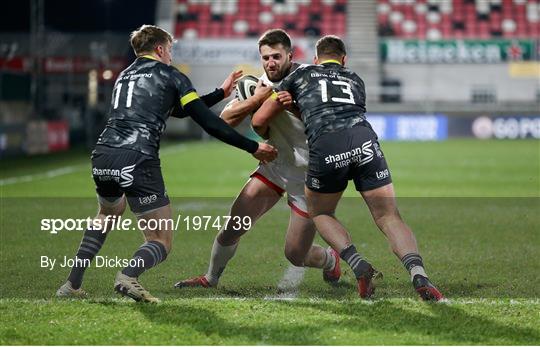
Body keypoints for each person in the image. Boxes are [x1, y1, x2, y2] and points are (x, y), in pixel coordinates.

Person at [56, 24, 277, 303]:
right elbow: (208, 123)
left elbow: (178, 110)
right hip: (137, 158)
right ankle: (128, 276)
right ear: (160, 49)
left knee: (108, 213)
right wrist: (252, 146)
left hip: (103, 154)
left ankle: (71, 284)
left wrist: (221, 93)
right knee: (160, 240)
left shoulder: (124, 75)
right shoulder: (171, 74)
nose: (171, 56)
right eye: (170, 50)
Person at [252, 35, 444, 301]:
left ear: (316, 60)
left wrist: (275, 125)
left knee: (320, 212)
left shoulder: (301, 75)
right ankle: (419, 274)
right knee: (389, 216)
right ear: (343, 60)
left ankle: (357, 264)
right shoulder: (355, 79)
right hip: (364, 141)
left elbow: (260, 119)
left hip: (327, 145)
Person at [174, 29, 341, 290]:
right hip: (274, 167)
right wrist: (256, 99)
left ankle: (330, 260)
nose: (270, 63)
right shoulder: (259, 84)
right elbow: (225, 121)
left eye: (276, 56)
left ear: (290, 55)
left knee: (296, 255)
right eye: (265, 58)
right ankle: (211, 278)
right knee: (234, 225)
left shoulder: (310, 79)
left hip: (308, 176)